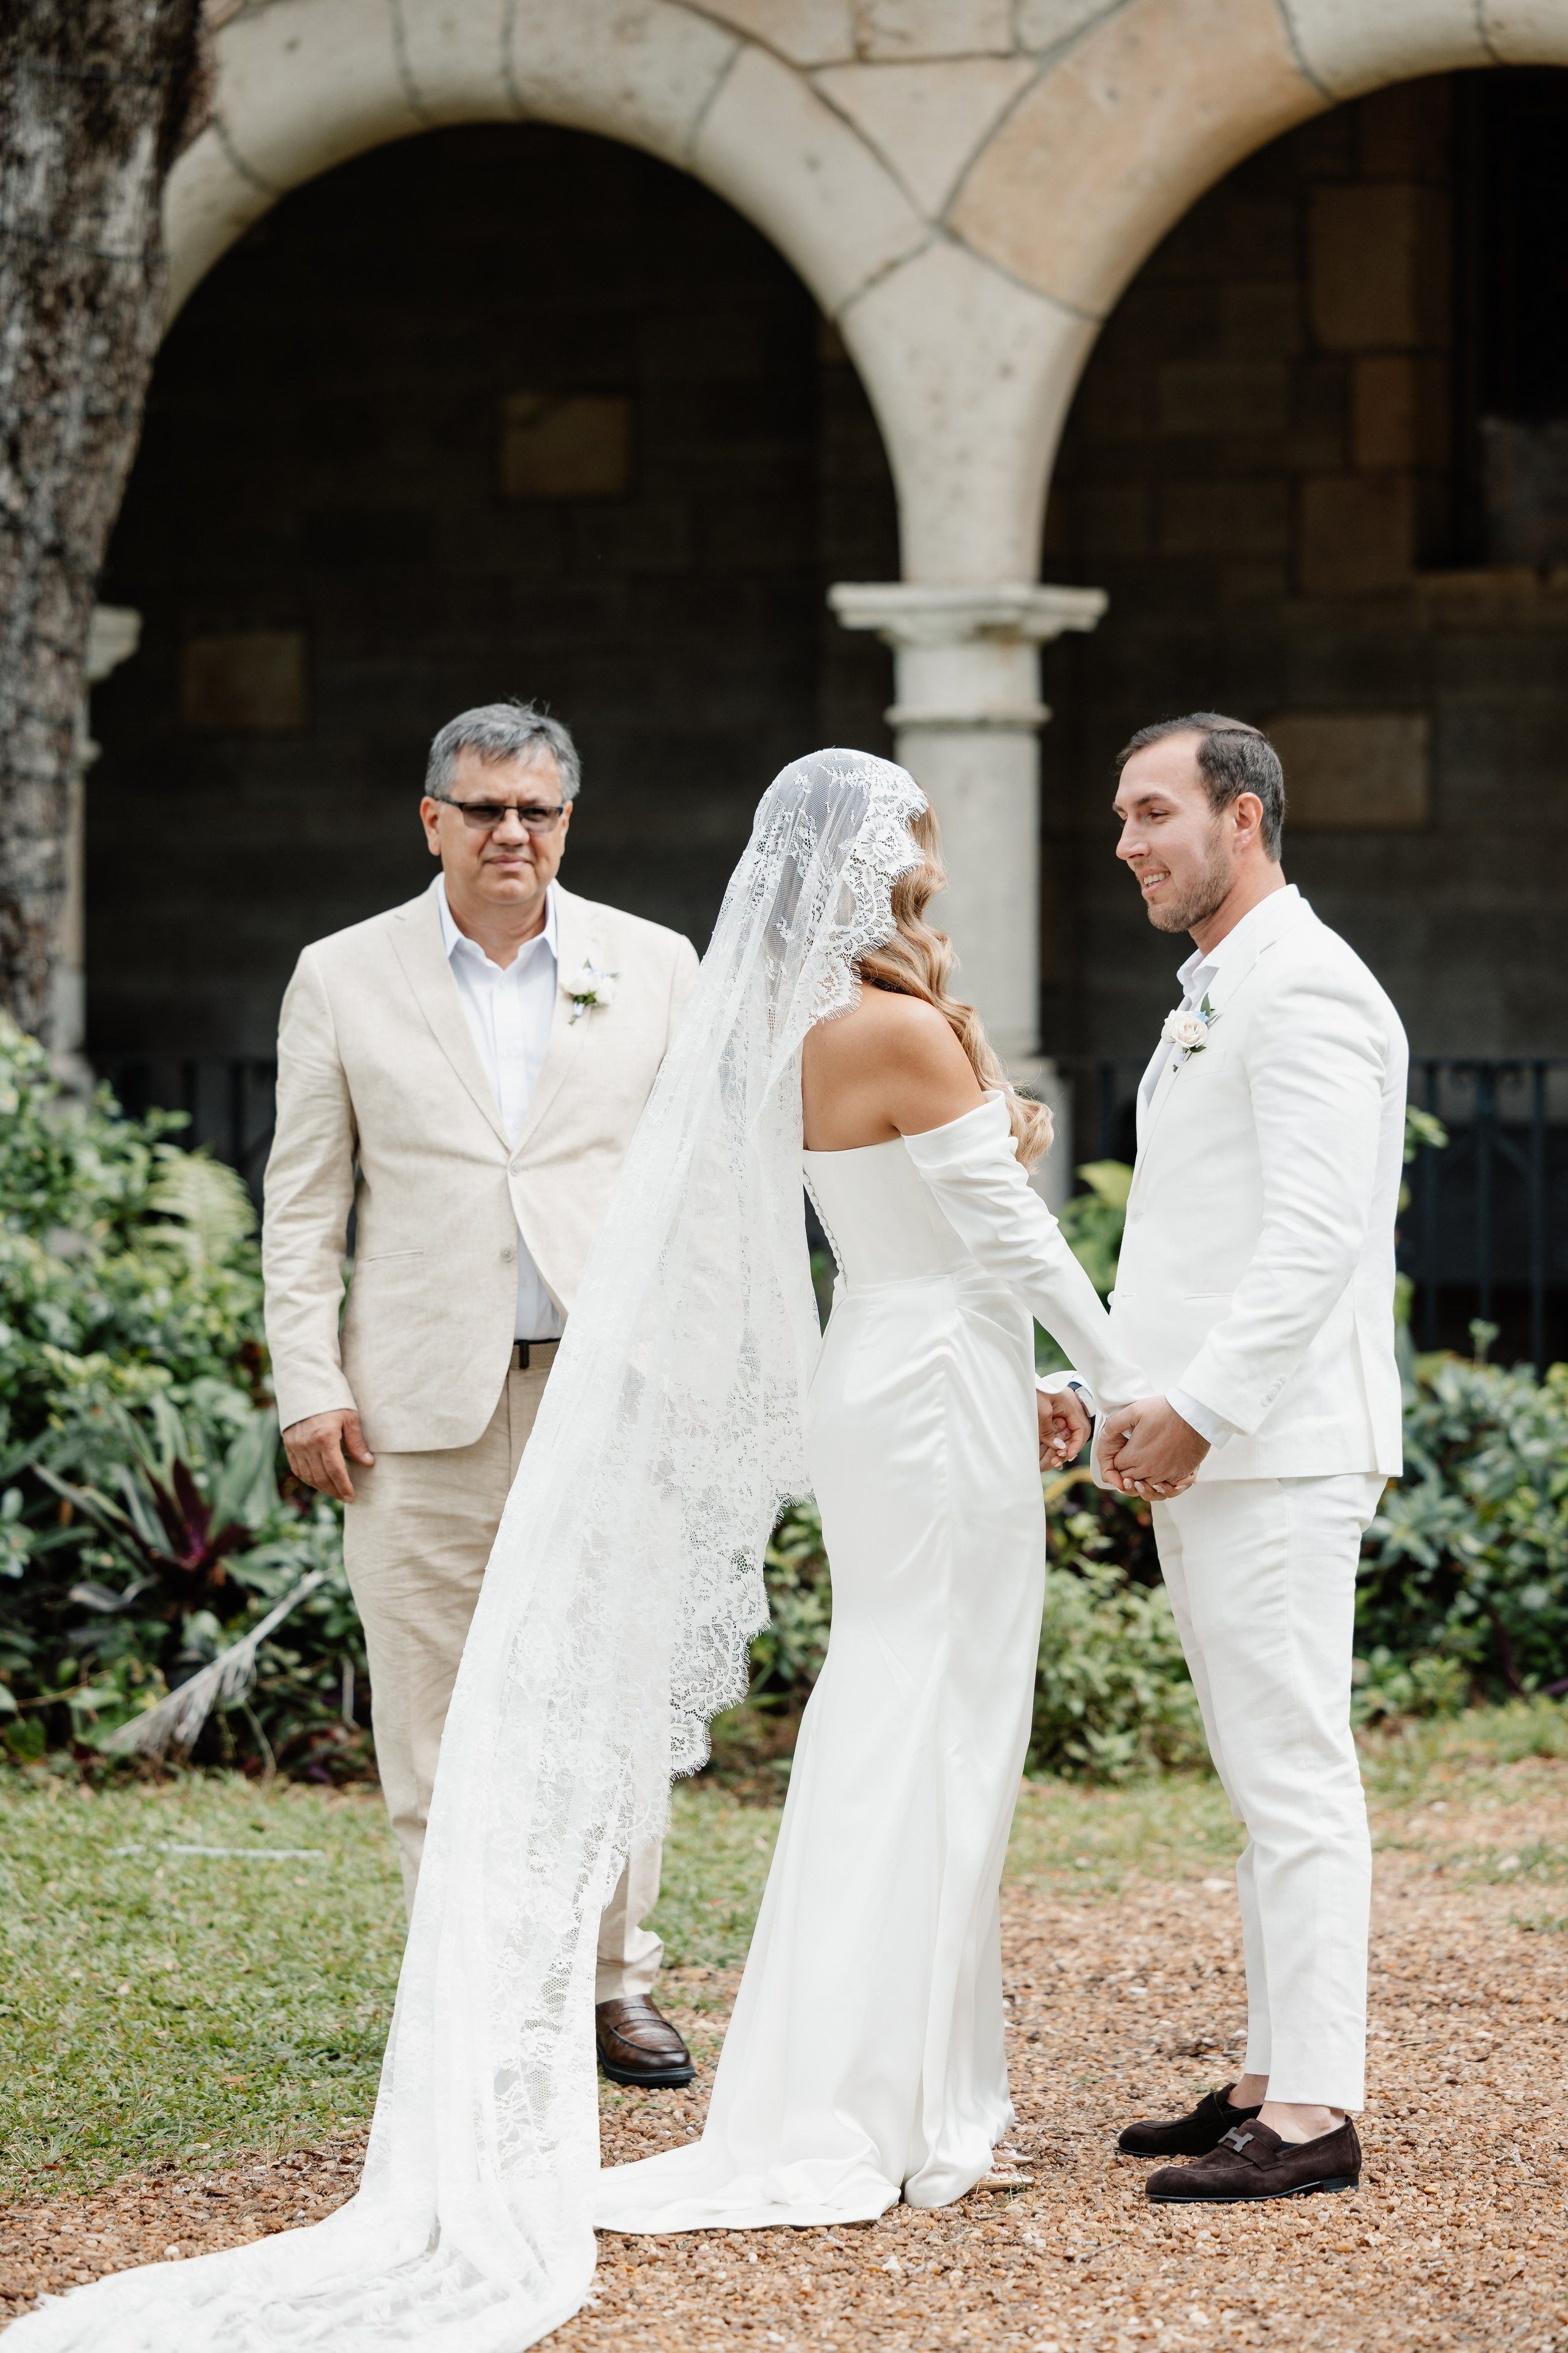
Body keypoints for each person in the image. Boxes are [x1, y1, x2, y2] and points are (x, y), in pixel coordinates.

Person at [11, 750, 1150, 2353]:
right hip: (918, 1400)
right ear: (861, 864)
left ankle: (898, 2093)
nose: (936, 869)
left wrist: (1024, 1368)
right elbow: (1017, 1238)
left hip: (901, 1376)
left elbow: (919, 1241)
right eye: (917, 842)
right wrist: (1120, 1382)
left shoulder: (796, 1021)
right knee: (932, 1728)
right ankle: (898, 2106)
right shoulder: (889, 1026)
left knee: (897, 1722)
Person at [261, 698, 700, 2091]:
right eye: (485, 807)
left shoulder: (654, 963)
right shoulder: (340, 974)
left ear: (567, 823)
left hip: (603, 1395)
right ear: (432, 818)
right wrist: (306, 1384)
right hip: (411, 1410)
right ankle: (475, 1991)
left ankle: (613, 1984)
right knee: (435, 1716)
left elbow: (698, 1190)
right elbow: (301, 1205)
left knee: (611, 1701)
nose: (512, 832)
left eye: (538, 811)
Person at [1098, 714, 1407, 2206]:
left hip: (1276, 1450)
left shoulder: (1306, 990)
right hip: (1227, 1444)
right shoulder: (1221, 988)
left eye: (1151, 811)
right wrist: (1099, 1388)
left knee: (1292, 1772)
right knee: (1257, 1771)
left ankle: (1316, 2111)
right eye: (1120, 818)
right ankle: (1268, 2073)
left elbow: (1310, 1239)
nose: (1126, 844)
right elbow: (1195, 1241)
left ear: (1243, 817)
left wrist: (1199, 1410)